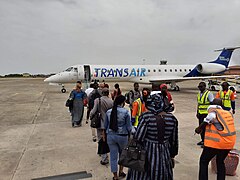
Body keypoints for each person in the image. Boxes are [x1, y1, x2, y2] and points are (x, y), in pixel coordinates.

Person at [128, 93, 179, 180]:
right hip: (164, 152)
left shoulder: (146, 117)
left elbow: (139, 138)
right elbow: (174, 141)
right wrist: (172, 155)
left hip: (147, 152)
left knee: (143, 175)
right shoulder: (172, 119)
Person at [195, 98, 236, 180]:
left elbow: (209, 119)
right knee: (220, 162)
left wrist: (199, 128)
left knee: (204, 161)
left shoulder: (214, 113)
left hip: (216, 143)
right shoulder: (227, 113)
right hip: (228, 143)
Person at [104, 95, 132, 180]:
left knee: (113, 157)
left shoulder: (108, 112)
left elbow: (105, 126)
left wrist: (104, 135)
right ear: (123, 102)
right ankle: (121, 171)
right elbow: (129, 127)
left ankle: (115, 176)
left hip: (111, 136)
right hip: (122, 136)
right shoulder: (125, 112)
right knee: (122, 155)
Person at [90, 88, 113, 165]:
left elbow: (93, 111)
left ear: (102, 93)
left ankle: (104, 158)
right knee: (107, 139)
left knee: (101, 140)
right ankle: (104, 152)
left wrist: (90, 116)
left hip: (100, 123)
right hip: (109, 124)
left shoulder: (98, 100)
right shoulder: (111, 101)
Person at [196, 82, 214, 147]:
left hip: (206, 114)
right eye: (199, 87)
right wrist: (197, 112)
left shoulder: (209, 94)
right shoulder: (199, 94)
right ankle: (203, 140)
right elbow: (199, 104)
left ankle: (206, 142)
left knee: (206, 128)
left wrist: (211, 113)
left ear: (204, 86)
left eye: (201, 87)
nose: (200, 88)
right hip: (201, 113)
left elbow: (212, 103)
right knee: (201, 127)